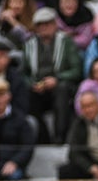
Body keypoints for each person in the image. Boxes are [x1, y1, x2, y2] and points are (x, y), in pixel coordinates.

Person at [21, 8, 82, 144]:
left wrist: (57, 79)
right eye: (40, 25)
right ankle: (43, 138)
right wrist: (32, 83)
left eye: (47, 24)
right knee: (26, 93)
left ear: (55, 24)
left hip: (60, 84)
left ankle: (60, 137)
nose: (44, 28)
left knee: (62, 89)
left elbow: (76, 69)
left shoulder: (66, 41)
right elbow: (23, 73)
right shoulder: (28, 44)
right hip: (38, 86)